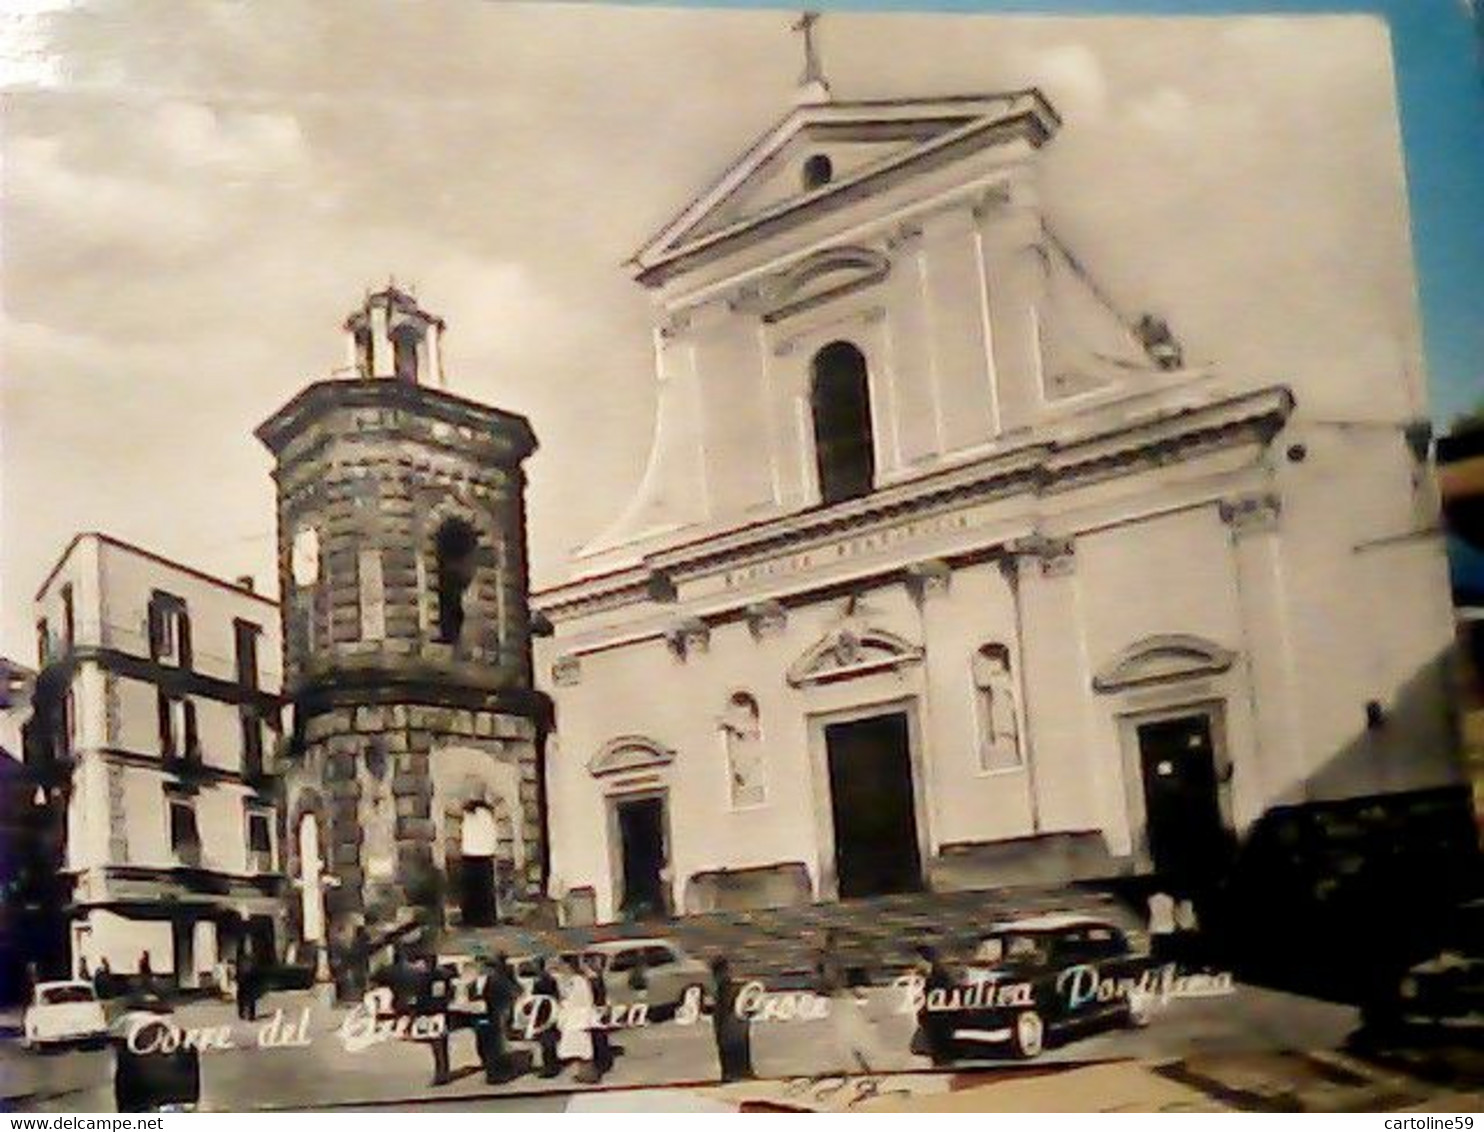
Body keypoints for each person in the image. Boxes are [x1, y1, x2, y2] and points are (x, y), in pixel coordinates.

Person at [815, 928, 875, 1074]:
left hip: (839, 1000)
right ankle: (859, 1067)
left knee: (849, 1038)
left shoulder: (829, 960)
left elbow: (831, 981)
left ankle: (861, 1067)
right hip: (838, 999)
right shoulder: (829, 960)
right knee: (848, 1039)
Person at [708, 955, 753, 1082]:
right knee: (733, 1050)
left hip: (730, 1024)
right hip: (731, 1025)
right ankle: (736, 1073)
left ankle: (734, 1073)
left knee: (732, 1049)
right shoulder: (723, 988)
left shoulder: (724, 988)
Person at [477, 953, 520, 1085]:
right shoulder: (487, 980)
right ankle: (493, 1072)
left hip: (493, 1016)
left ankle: (495, 1074)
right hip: (485, 1016)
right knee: (488, 1044)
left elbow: (506, 998)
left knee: (493, 1045)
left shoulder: (497, 980)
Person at [554, 954, 597, 1083]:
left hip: (578, 1018)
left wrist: (564, 1003)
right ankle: (583, 1074)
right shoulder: (574, 980)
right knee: (578, 1049)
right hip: (574, 1018)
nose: (560, 967)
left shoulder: (578, 981)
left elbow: (578, 1000)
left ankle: (589, 1075)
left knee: (583, 1049)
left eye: (562, 964)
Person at [414, 954, 453, 1087]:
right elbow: (445, 995)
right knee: (440, 1044)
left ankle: (441, 1075)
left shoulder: (429, 977)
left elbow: (428, 997)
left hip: (432, 1013)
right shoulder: (441, 976)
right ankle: (443, 1071)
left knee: (438, 1045)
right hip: (439, 1012)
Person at [911, 944, 954, 1067]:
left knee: (941, 1048)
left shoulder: (940, 975)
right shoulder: (925, 976)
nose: (916, 963)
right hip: (931, 1018)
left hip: (941, 1018)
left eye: (918, 959)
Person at [582, 953, 614, 1077]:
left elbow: (596, 996)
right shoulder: (596, 977)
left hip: (597, 1011)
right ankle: (603, 1063)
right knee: (600, 1038)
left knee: (598, 1039)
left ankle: (600, 1065)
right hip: (600, 1010)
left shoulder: (593, 979)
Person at [531, 956, 562, 1078]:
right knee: (549, 1043)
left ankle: (550, 1069)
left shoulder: (540, 981)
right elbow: (556, 996)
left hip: (544, 1015)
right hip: (551, 1012)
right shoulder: (551, 979)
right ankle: (552, 1066)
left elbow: (537, 1000)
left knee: (546, 1043)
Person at [1147, 887, 1176, 966]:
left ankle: (1157, 966)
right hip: (1168, 927)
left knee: (1156, 950)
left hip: (1156, 927)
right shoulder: (1170, 899)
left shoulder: (1151, 899)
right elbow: (1172, 913)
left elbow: (1150, 914)